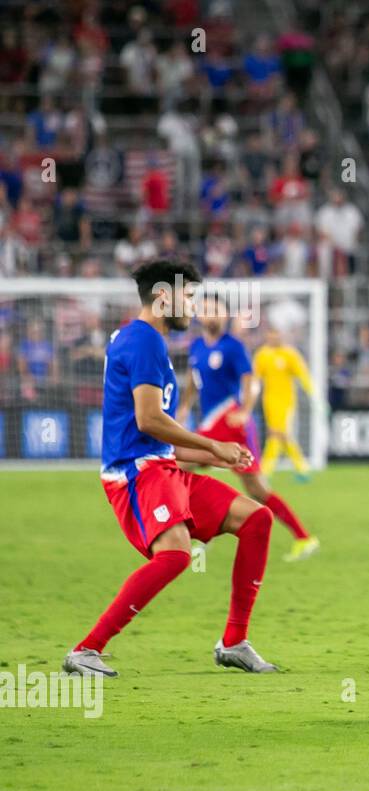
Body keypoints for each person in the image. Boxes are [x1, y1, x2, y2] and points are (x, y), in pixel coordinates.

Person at [63, 258, 278, 678]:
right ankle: (86, 649)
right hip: (135, 476)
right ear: (164, 297)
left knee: (256, 520)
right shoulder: (142, 341)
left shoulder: (146, 340)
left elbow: (157, 437)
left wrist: (214, 456)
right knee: (176, 556)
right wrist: (213, 443)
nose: (194, 307)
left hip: (161, 467)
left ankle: (234, 642)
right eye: (190, 296)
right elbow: (148, 420)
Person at [178, 296, 319, 562]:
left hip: (233, 425)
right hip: (210, 425)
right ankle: (197, 532)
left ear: (225, 315)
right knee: (180, 467)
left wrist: (244, 411)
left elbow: (251, 382)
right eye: (206, 310)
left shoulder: (233, 347)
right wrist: (185, 406)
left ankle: (303, 537)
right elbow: (193, 381)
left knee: (257, 490)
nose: (211, 315)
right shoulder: (196, 347)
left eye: (216, 310)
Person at [253, 326, 315, 478]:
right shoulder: (262, 355)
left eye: (277, 333)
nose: (274, 337)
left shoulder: (290, 354)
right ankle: (301, 466)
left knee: (276, 434)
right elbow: (255, 378)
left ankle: (265, 470)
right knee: (280, 434)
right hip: (269, 401)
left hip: (286, 401)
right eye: (271, 333)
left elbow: (303, 375)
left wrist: (313, 395)